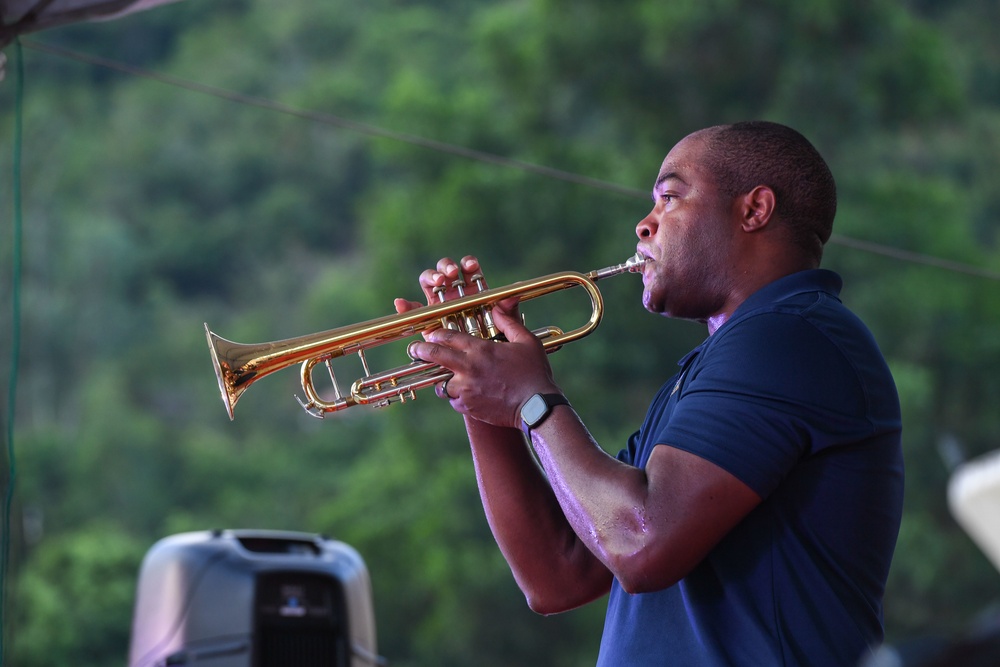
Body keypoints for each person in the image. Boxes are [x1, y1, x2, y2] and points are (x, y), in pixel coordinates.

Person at [395, 121, 905, 666]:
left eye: (669, 197)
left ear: (754, 210)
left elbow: (640, 544)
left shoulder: (789, 336)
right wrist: (479, 380)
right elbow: (558, 576)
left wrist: (531, 401)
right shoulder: (712, 369)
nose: (644, 225)